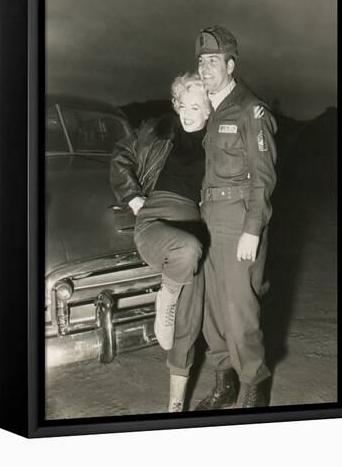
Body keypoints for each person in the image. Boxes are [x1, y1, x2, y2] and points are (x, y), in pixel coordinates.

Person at [110, 73, 210, 412]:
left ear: (210, 109)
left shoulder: (218, 141)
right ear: (176, 104)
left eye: (197, 106)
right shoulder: (158, 129)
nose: (188, 112)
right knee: (188, 250)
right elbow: (121, 154)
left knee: (189, 320)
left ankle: (175, 407)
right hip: (154, 220)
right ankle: (164, 299)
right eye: (183, 104)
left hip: (195, 225)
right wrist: (133, 198)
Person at [195, 25, 277, 408]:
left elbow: (263, 179)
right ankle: (224, 380)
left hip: (238, 218)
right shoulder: (211, 109)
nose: (205, 67)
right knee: (212, 307)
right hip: (209, 218)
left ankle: (253, 389)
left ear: (230, 64)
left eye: (212, 60)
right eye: (201, 61)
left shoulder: (250, 109)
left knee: (240, 307)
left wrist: (253, 230)